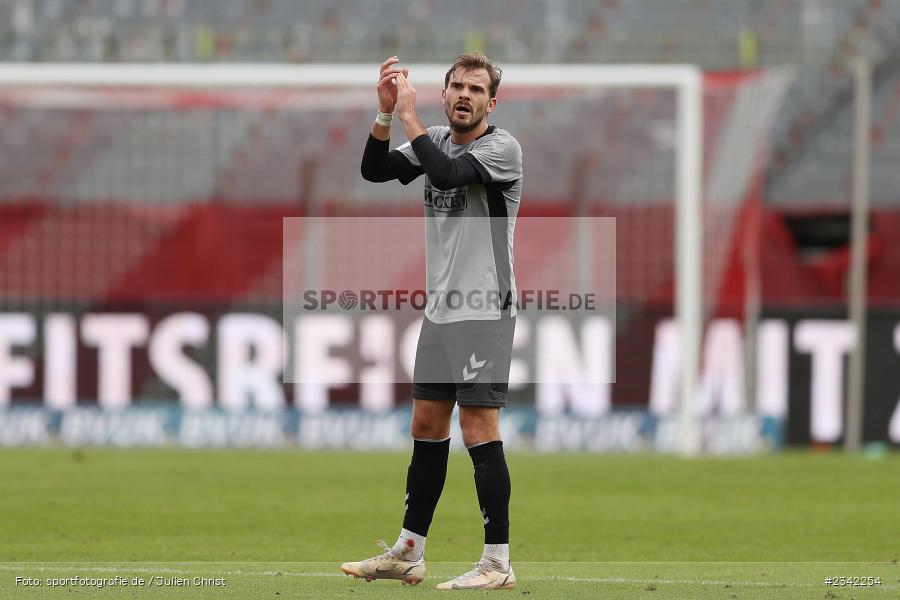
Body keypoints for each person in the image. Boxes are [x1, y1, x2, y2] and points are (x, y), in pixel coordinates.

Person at [340, 52, 522, 591]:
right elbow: (375, 170)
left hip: (485, 310)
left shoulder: (501, 149)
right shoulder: (435, 137)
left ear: (492, 101)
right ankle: (409, 552)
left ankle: (496, 561)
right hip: (441, 311)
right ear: (445, 94)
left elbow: (446, 173)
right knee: (425, 426)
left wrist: (410, 116)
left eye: (476, 89)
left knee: (478, 429)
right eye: (457, 86)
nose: (465, 95)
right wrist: (384, 114)